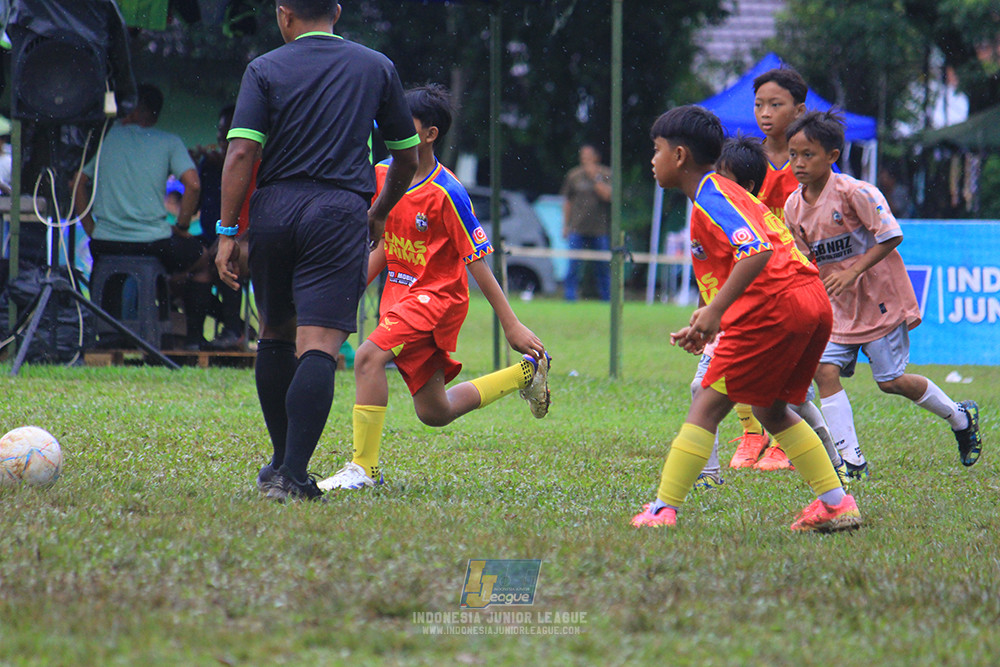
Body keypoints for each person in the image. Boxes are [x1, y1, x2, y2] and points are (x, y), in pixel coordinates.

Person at [215, 0, 420, 501]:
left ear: (285, 14)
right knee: (321, 344)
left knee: (275, 332)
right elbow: (407, 156)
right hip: (338, 210)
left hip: (275, 209)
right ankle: (291, 473)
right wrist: (377, 211)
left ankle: (280, 465)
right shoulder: (376, 67)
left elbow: (242, 151)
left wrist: (226, 231)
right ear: (337, 11)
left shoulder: (263, 68)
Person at [631, 105, 860, 532]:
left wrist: (716, 312)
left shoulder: (711, 195)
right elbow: (747, 260)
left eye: (656, 149)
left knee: (706, 406)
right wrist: (709, 317)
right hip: (807, 300)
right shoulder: (725, 193)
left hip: (775, 309)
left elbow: (754, 250)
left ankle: (662, 509)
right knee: (771, 408)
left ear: (679, 156)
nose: (652, 159)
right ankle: (835, 503)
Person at [318, 85, 551, 491]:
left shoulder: (449, 192)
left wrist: (511, 325)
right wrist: (351, 288)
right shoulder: (381, 175)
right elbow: (387, 245)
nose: (393, 133)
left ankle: (364, 469)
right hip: (401, 296)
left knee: (368, 358)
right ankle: (526, 375)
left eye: (404, 126)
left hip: (437, 298)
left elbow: (477, 261)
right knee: (435, 412)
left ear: (429, 134)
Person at [785, 110, 982, 477]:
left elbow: (891, 235)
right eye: (792, 154)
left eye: (808, 154)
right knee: (822, 370)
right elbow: (806, 258)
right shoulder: (793, 207)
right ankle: (853, 461)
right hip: (839, 307)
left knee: (891, 382)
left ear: (832, 155)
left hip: (880, 300)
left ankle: (959, 416)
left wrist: (853, 270)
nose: (798, 163)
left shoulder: (855, 193)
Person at [691, 135, 846, 490]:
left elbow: (758, 258)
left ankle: (834, 466)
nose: (712, 184)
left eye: (721, 177)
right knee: (722, 393)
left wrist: (717, 312)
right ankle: (709, 474)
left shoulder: (744, 217)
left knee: (783, 403)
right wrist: (705, 315)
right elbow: (709, 270)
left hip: (766, 315)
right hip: (738, 317)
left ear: (745, 187)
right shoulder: (711, 209)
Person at [74, 83, 213, 350]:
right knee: (204, 261)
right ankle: (194, 339)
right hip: (154, 243)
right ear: (155, 114)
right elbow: (193, 184)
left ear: (134, 109)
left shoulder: (106, 139)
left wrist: (90, 227)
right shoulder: (168, 142)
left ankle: (111, 331)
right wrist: (182, 225)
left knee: (115, 269)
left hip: (106, 242)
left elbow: (78, 182)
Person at [725, 66, 810, 472]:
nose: (765, 113)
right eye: (759, 104)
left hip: (796, 275)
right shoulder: (745, 159)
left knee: (792, 361)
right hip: (752, 271)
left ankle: (784, 440)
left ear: (799, 109)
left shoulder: (809, 163)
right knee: (741, 351)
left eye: (775, 104)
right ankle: (750, 434)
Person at [560, 144, 611, 301]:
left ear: (596, 157)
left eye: (588, 156)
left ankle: (607, 299)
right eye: (583, 156)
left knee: (603, 267)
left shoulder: (606, 174)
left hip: (599, 230)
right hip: (577, 228)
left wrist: (595, 177)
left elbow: (608, 197)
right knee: (573, 266)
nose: (585, 160)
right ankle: (570, 298)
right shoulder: (573, 175)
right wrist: (565, 225)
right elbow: (567, 201)